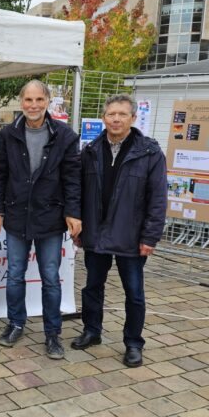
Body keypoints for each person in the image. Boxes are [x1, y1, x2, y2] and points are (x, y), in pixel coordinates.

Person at [72, 93, 167, 368]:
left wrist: (150, 236)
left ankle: (134, 343)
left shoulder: (149, 152)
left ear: (133, 118)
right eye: (111, 114)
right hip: (96, 235)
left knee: (134, 293)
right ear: (104, 118)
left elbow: (158, 199)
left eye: (122, 114)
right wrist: (77, 225)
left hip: (132, 237)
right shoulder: (89, 152)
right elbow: (78, 192)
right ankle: (92, 331)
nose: (116, 119)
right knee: (92, 286)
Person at [0, 79, 81, 360]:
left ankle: (53, 334)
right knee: (15, 275)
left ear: (48, 101)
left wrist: (73, 212)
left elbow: (72, 180)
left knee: (51, 278)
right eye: (28, 100)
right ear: (21, 102)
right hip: (16, 217)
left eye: (39, 100)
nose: (33, 105)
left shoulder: (65, 136)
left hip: (50, 218)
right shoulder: (8, 134)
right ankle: (16, 323)